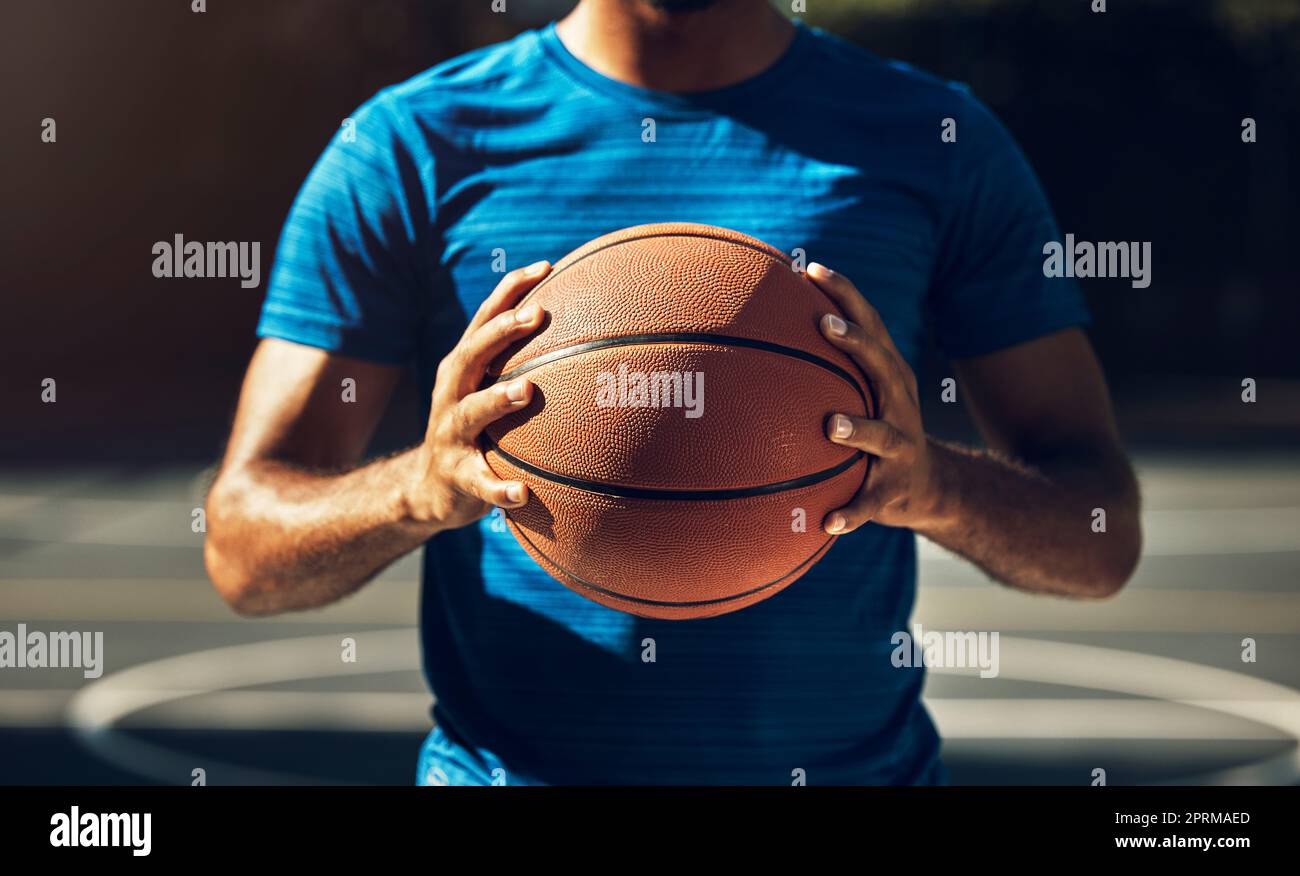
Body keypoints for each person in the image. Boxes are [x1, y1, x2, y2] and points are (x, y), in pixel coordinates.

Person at [204, 0, 1141, 785]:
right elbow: (244, 550)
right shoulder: (410, 145)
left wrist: (935, 486)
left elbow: (1100, 541)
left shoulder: (937, 141)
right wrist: (421, 488)